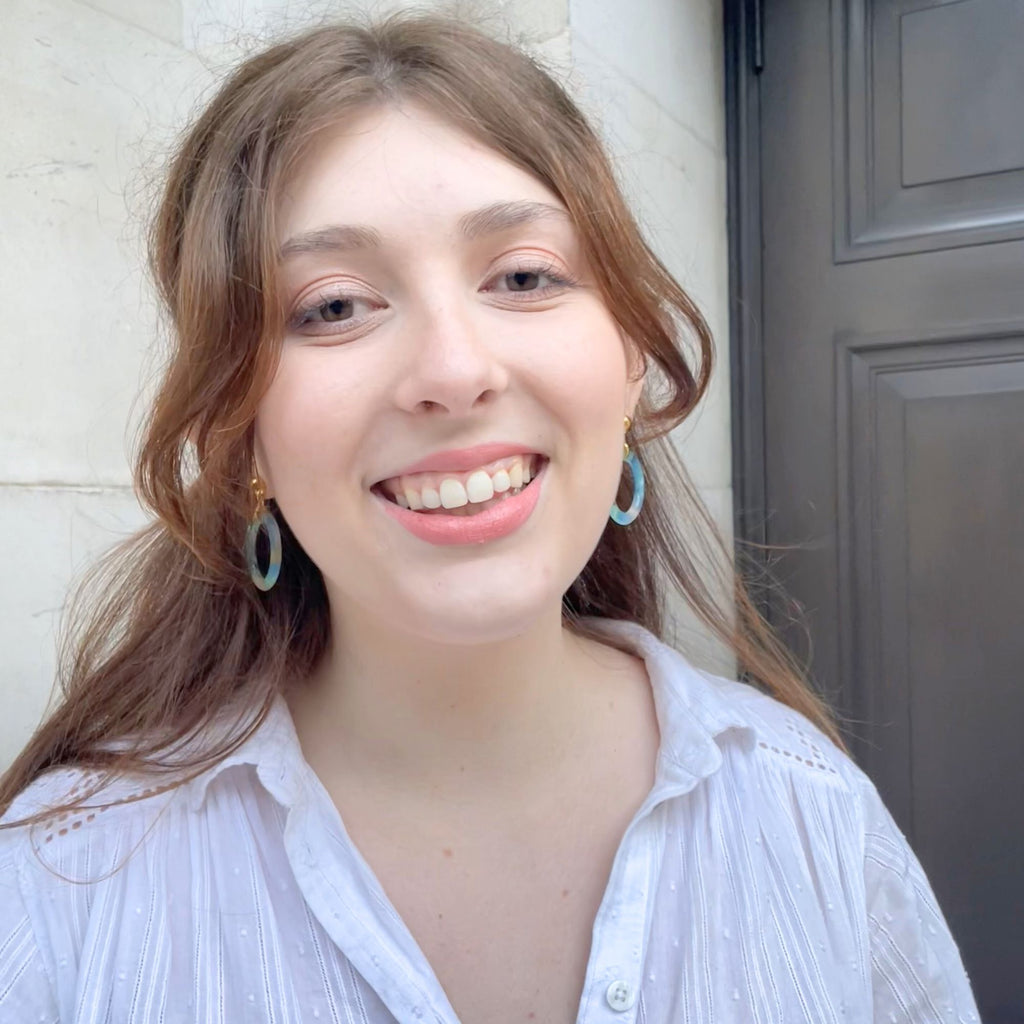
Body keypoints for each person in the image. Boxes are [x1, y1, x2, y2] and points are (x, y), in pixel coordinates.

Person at [0, 13, 979, 1023]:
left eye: (522, 276)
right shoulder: (59, 890)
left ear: (630, 357)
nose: (455, 372)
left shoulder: (814, 817)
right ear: (237, 430)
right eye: (334, 305)